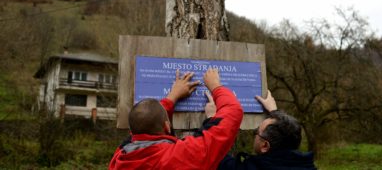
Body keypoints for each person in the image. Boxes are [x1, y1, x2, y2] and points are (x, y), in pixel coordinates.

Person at [109, 68, 244, 170]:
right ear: (167, 126)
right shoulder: (177, 157)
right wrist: (216, 86)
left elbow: (147, 120)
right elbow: (233, 111)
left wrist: (172, 97)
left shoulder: (120, 157)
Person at [217, 90, 317, 170]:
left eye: (256, 132)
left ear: (265, 146)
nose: (255, 135)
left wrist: (214, 121)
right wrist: (274, 112)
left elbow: (216, 158)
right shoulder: (307, 165)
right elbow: (288, 131)